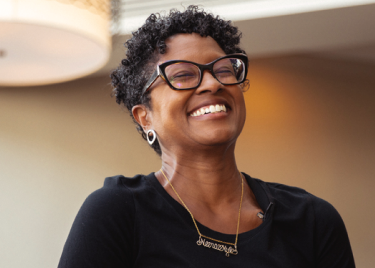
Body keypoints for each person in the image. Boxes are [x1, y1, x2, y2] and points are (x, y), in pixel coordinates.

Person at [58, 6, 355, 268]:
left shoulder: (312, 220)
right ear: (144, 116)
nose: (213, 83)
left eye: (224, 69)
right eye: (183, 75)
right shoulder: (118, 211)